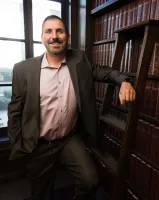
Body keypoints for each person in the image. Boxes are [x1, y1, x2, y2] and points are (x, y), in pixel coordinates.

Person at [8, 15, 135, 200]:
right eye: (48, 31)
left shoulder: (79, 60)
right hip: (37, 145)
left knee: (90, 181)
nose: (54, 36)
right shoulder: (22, 70)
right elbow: (14, 111)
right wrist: (19, 146)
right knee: (41, 195)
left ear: (67, 36)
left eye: (59, 31)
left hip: (68, 139)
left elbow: (105, 72)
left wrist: (124, 81)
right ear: (42, 37)